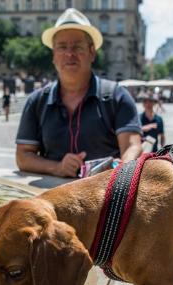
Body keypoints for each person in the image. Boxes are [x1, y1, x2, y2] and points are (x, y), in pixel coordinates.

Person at [15, 8, 142, 178]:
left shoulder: (116, 96)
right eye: (62, 47)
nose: (69, 53)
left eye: (77, 46)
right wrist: (57, 167)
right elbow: (22, 156)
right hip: (52, 200)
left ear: (92, 52)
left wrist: (122, 171)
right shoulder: (36, 101)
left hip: (103, 198)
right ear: (53, 55)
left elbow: (133, 147)